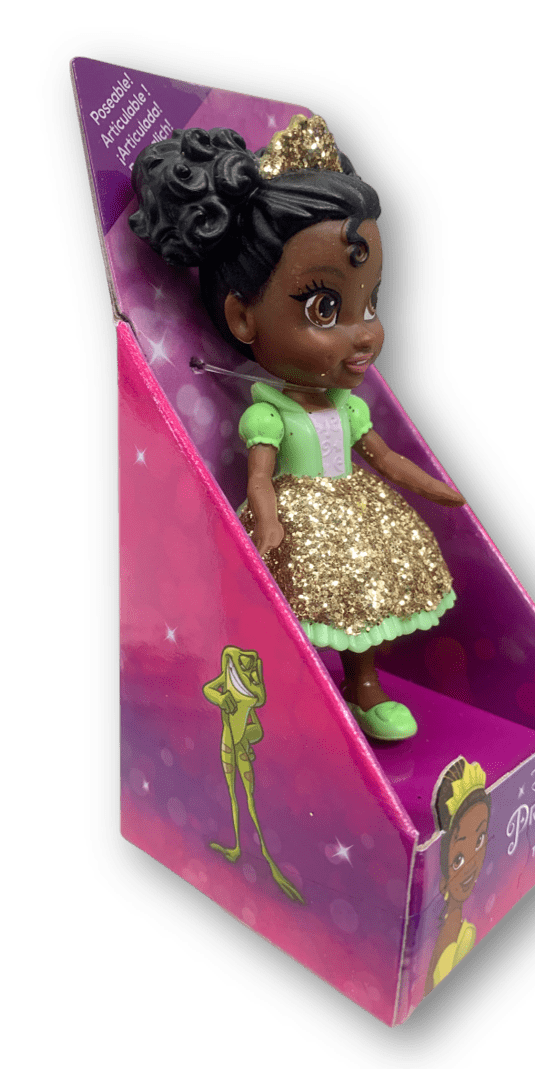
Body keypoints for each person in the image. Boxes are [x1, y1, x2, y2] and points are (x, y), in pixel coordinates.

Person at [130, 116, 464, 741]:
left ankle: (362, 686)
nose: (365, 332)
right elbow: (260, 477)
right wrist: (269, 523)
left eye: (369, 303)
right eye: (326, 308)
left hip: (357, 515)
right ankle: (293, 696)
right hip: (295, 523)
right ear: (242, 317)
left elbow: (383, 458)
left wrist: (436, 489)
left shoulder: (348, 407)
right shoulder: (268, 414)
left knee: (364, 605)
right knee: (286, 616)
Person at [426, 758, 490, 993]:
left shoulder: (462, 927)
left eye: (480, 839)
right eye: (458, 860)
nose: (471, 866)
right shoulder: (436, 935)